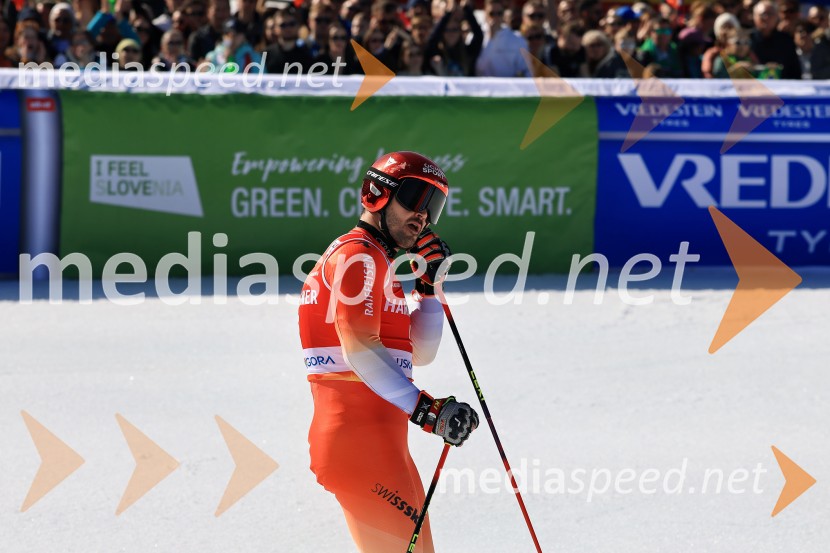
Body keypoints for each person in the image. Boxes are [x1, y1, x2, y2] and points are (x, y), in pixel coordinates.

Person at [299, 151, 479, 553]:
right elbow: (360, 348)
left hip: (380, 441)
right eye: (415, 198)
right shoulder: (358, 255)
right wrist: (426, 410)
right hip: (358, 438)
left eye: (433, 206)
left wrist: (429, 288)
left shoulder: (379, 263)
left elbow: (420, 352)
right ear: (377, 194)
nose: (423, 216)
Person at [750, 0, 801, 79]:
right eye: (762, 14)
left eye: (770, 14)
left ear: (777, 17)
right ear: (754, 16)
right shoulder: (746, 39)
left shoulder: (786, 40)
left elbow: (794, 70)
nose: (766, 18)